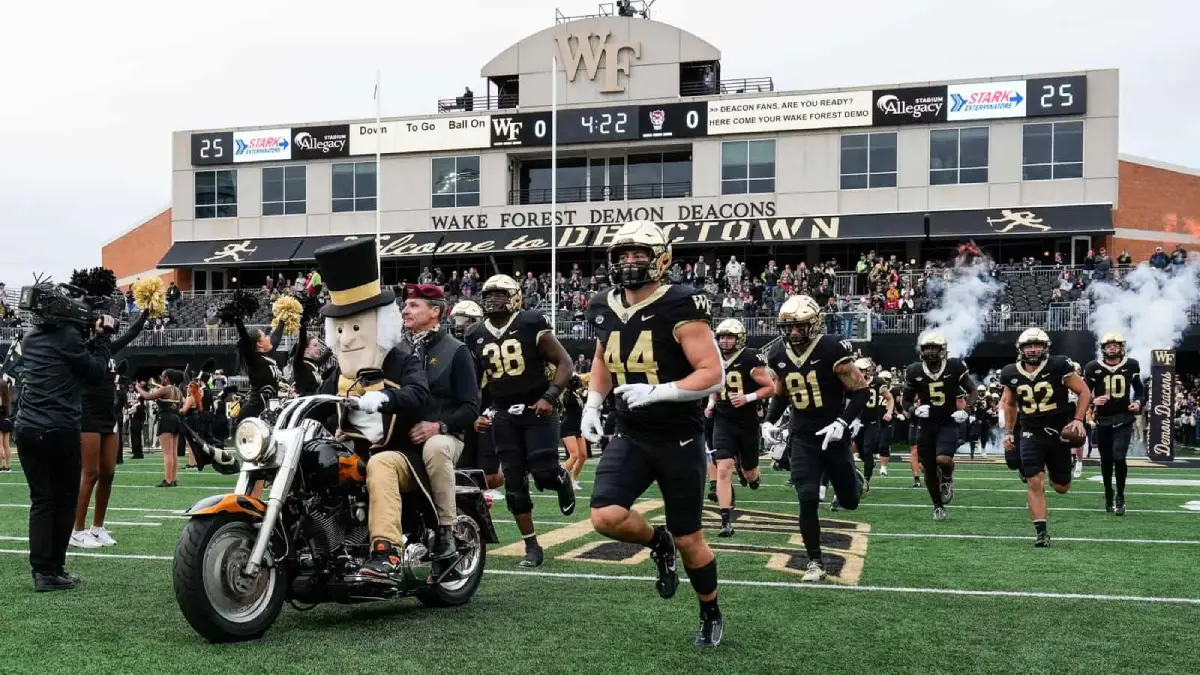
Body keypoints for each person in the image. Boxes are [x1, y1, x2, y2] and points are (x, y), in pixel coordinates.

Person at [582, 220, 726, 647]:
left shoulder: (681, 304)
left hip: (678, 435)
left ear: (661, 259)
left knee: (690, 537)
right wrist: (592, 402)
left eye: (638, 254)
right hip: (631, 431)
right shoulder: (603, 304)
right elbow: (603, 356)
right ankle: (656, 542)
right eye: (622, 255)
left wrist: (661, 390)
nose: (629, 263)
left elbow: (713, 375)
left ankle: (709, 610)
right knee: (605, 515)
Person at [311, 239, 434, 579]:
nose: (347, 338)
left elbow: (420, 395)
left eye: (355, 327)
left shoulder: (400, 360)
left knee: (380, 463)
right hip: (355, 453)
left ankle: (387, 552)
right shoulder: (338, 373)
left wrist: (385, 398)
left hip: (402, 455)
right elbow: (318, 406)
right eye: (340, 329)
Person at [467, 274, 575, 568]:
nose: (492, 299)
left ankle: (561, 478)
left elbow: (565, 362)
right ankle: (532, 546)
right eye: (488, 294)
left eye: (500, 294)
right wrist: (478, 412)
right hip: (504, 415)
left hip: (538, 408)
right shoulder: (475, 333)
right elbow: (477, 383)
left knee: (543, 473)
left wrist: (550, 397)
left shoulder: (531, 322)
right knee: (513, 483)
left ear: (516, 297)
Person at [760, 295, 869, 583]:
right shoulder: (778, 355)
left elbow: (861, 391)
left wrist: (842, 421)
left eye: (799, 327)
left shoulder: (832, 349)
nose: (793, 333)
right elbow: (781, 393)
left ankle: (854, 480)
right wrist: (769, 421)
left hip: (833, 436)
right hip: (803, 438)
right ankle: (814, 561)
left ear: (814, 323)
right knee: (807, 497)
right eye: (788, 327)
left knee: (849, 502)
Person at [13, 311, 116, 591]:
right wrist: (103, 339)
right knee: (64, 500)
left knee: (42, 500)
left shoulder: (31, 336)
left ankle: (42, 571)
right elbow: (94, 373)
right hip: (59, 428)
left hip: (27, 428)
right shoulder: (69, 335)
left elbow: (67, 358)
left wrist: (91, 338)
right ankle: (53, 569)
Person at [392, 282, 481, 575]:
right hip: (400, 436)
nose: (405, 309)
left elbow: (471, 408)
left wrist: (439, 426)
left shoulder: (457, 351)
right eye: (405, 305)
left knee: (435, 446)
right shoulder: (396, 348)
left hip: (445, 437)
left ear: (436, 311)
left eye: (414, 305)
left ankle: (446, 531)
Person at [1000, 328, 1091, 546]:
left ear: (1045, 347)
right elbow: (1010, 403)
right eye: (1028, 345)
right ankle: (1041, 532)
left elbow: (1084, 392)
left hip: (1059, 433)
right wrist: (1010, 432)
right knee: (1035, 482)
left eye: (1037, 345)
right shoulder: (1010, 372)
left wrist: (1078, 419)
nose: (1033, 349)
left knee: (1061, 487)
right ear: (1020, 349)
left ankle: (1056, 468)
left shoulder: (1059, 365)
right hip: (1031, 432)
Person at [71, 309, 148, 548]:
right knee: (90, 473)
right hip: (88, 415)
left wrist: (146, 311)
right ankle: (77, 530)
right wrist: (98, 333)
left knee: (108, 473)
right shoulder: (84, 349)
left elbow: (133, 332)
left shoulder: (108, 348)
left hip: (108, 415)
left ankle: (97, 527)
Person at [708, 318, 773, 537]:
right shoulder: (714, 358)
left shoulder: (749, 358)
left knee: (750, 473)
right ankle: (726, 520)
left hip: (747, 422)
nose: (725, 341)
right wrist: (710, 403)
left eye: (729, 337)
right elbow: (715, 386)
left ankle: (752, 476)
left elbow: (770, 388)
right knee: (723, 467)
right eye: (722, 337)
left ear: (739, 338)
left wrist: (748, 397)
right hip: (723, 420)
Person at [904, 333, 976, 521]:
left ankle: (947, 478)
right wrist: (914, 410)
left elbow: (972, 390)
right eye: (926, 348)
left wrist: (967, 410)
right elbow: (905, 400)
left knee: (943, 459)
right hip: (926, 424)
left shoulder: (954, 366)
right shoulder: (914, 370)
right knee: (927, 468)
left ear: (942, 349)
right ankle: (937, 505)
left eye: (933, 348)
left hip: (948, 421)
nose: (929, 351)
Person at [1083, 333, 1143, 515]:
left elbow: (1139, 390)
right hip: (1103, 420)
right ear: (1103, 348)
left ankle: (1121, 496)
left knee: (1119, 457)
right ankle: (1109, 492)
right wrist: (1094, 400)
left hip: (1124, 418)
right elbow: (1084, 392)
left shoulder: (1131, 365)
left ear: (1121, 347)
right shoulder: (1093, 367)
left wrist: (1138, 403)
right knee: (1106, 460)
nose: (1112, 349)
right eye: (1109, 346)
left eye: (1115, 345)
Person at [448, 300, 503, 498]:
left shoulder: (488, 348)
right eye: (456, 319)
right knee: (463, 464)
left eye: (464, 319)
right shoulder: (452, 349)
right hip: (464, 411)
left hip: (486, 408)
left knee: (491, 472)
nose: (459, 325)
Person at [137, 371, 184, 487]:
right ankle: (173, 479)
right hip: (176, 419)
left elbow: (147, 396)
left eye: (163, 376)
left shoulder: (166, 389)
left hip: (167, 419)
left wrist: (138, 388)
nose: (161, 379)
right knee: (173, 452)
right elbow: (180, 405)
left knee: (167, 453)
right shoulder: (178, 391)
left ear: (167, 378)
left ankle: (168, 480)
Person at [855, 357, 894, 493]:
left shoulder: (877, 382)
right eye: (858, 370)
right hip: (856, 422)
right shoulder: (851, 382)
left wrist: (889, 412)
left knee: (867, 450)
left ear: (868, 371)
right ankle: (867, 467)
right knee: (861, 453)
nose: (860, 372)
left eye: (862, 370)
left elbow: (889, 398)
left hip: (872, 422)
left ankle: (866, 481)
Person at [560, 374, 588, 491]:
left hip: (577, 427)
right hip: (568, 427)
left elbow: (584, 400)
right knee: (574, 455)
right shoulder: (567, 395)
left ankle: (572, 480)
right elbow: (569, 402)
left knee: (583, 456)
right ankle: (559, 479)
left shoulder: (576, 394)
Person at [0, 376, 12, 472]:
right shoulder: (7, 398)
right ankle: (8, 466)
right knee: (6, 445)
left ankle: (0, 466)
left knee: (0, 446)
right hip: (7, 421)